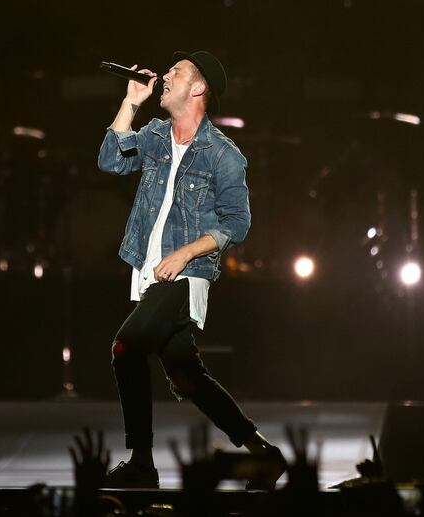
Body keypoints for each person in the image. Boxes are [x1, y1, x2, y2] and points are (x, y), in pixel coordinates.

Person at [97, 51, 285, 490]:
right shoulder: (157, 135)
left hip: (187, 273)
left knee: (125, 349)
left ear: (198, 88)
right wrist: (130, 102)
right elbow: (110, 160)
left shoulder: (224, 155)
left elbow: (236, 222)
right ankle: (265, 453)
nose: (164, 76)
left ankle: (141, 462)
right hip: (151, 270)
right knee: (186, 374)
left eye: (175, 72)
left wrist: (185, 253)